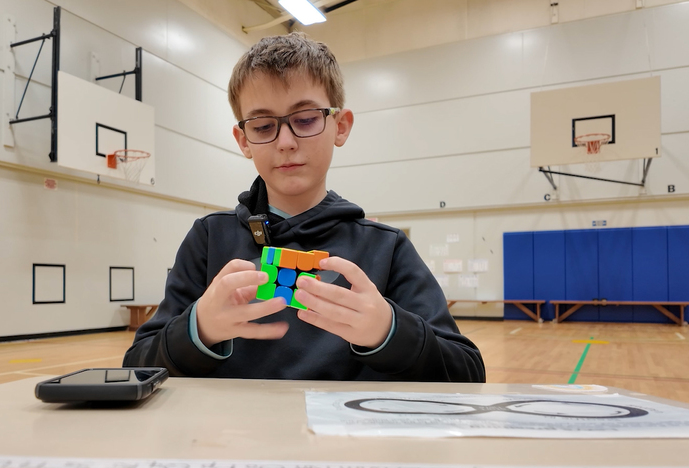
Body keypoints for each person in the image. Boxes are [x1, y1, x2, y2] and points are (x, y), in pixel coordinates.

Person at [123, 32, 484, 382]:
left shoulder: (385, 248)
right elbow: (137, 367)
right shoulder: (208, 239)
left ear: (340, 126)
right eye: (263, 126)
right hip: (230, 441)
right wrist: (197, 328)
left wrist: (389, 331)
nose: (285, 142)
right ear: (243, 140)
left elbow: (468, 372)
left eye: (306, 119)